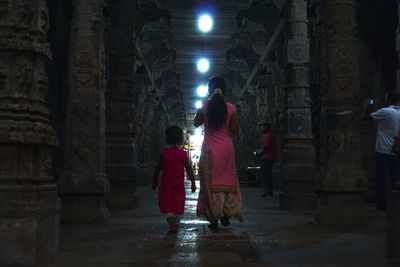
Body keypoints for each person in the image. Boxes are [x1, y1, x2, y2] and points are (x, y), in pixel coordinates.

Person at [194, 76, 243, 230]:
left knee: (209, 183)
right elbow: (235, 130)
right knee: (228, 180)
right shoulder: (231, 108)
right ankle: (226, 213)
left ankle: (213, 216)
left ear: (209, 90)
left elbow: (196, 123)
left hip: (210, 149)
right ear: (225, 90)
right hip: (226, 149)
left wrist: (202, 109)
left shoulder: (205, 105)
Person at [152, 126, 196, 233]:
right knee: (177, 202)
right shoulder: (183, 154)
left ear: (167, 139)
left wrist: (154, 180)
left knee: (167, 203)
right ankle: (175, 220)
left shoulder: (164, 153)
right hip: (179, 185)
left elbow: (157, 168)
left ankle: (171, 220)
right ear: (181, 139)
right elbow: (189, 169)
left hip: (166, 184)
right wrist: (193, 182)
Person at [368, 91, 400, 210]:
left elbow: (370, 116)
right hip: (396, 149)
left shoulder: (386, 111)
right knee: (395, 177)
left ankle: (382, 204)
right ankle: (395, 203)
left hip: (383, 148)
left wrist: (370, 105)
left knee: (380, 176)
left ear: (389, 100)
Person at [259, 121, 277, 197]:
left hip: (266, 157)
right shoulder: (271, 136)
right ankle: (269, 191)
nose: (263, 128)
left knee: (265, 174)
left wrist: (259, 152)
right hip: (271, 157)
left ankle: (266, 191)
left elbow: (265, 147)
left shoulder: (267, 136)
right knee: (268, 174)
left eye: (264, 127)